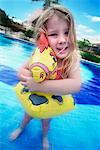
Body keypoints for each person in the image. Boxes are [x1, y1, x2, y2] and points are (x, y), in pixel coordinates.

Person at [10, 4, 81, 149]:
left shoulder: (71, 59)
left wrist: (40, 85)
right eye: (54, 34)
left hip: (50, 102)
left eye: (67, 32)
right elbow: (20, 71)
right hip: (33, 97)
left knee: (46, 122)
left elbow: (76, 84)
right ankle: (21, 128)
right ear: (44, 37)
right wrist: (32, 76)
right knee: (27, 117)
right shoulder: (40, 57)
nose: (62, 40)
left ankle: (44, 137)